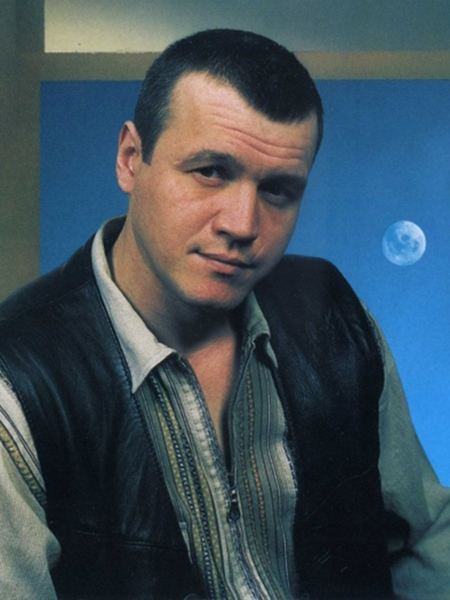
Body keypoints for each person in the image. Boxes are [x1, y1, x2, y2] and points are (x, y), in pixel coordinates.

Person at [0, 29, 449, 600]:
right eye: (211, 171)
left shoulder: (333, 315)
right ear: (131, 159)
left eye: (278, 190)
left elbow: (424, 540)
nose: (242, 224)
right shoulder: (15, 382)